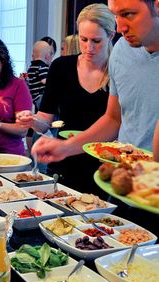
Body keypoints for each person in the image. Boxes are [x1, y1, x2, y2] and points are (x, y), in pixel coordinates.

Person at [31, 0, 159, 166]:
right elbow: (113, 119)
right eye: (116, 15)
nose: (120, 28)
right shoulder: (121, 51)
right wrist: (66, 147)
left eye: (128, 14)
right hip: (125, 173)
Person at [17, 3, 115, 192]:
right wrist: (31, 120)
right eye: (84, 39)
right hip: (66, 160)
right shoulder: (61, 67)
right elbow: (46, 120)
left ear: (111, 36)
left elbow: (116, 122)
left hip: (106, 165)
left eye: (96, 41)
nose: (88, 48)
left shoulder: (118, 70)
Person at [27, 40, 52, 112]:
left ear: (33, 56)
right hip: (40, 96)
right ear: (47, 56)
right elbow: (44, 81)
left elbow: (25, 76)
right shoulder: (43, 67)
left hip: (33, 97)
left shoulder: (31, 67)